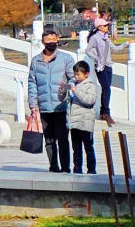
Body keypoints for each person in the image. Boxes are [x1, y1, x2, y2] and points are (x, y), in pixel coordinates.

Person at [27, 28, 76, 173]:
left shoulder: (66, 59)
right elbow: (32, 82)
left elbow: (73, 79)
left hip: (60, 105)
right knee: (49, 140)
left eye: (54, 40)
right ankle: (53, 166)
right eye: (48, 40)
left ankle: (66, 167)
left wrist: (65, 88)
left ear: (58, 40)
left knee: (62, 139)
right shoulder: (35, 61)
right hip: (43, 106)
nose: (51, 43)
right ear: (43, 42)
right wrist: (33, 104)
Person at [67, 60, 99, 174]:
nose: (76, 76)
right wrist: (63, 91)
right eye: (75, 74)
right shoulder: (74, 85)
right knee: (76, 149)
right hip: (74, 122)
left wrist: (76, 92)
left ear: (86, 74)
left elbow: (89, 101)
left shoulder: (90, 86)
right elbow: (66, 100)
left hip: (85, 123)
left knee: (88, 148)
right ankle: (77, 170)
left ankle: (91, 170)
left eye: (78, 74)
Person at [85, 14, 116, 124]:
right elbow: (87, 51)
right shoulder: (94, 38)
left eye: (107, 25)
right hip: (100, 67)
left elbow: (115, 48)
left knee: (107, 89)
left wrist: (128, 43)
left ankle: (104, 112)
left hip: (108, 66)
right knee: (106, 88)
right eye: (105, 25)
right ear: (99, 27)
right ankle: (106, 113)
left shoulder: (106, 38)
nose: (107, 27)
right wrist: (97, 58)